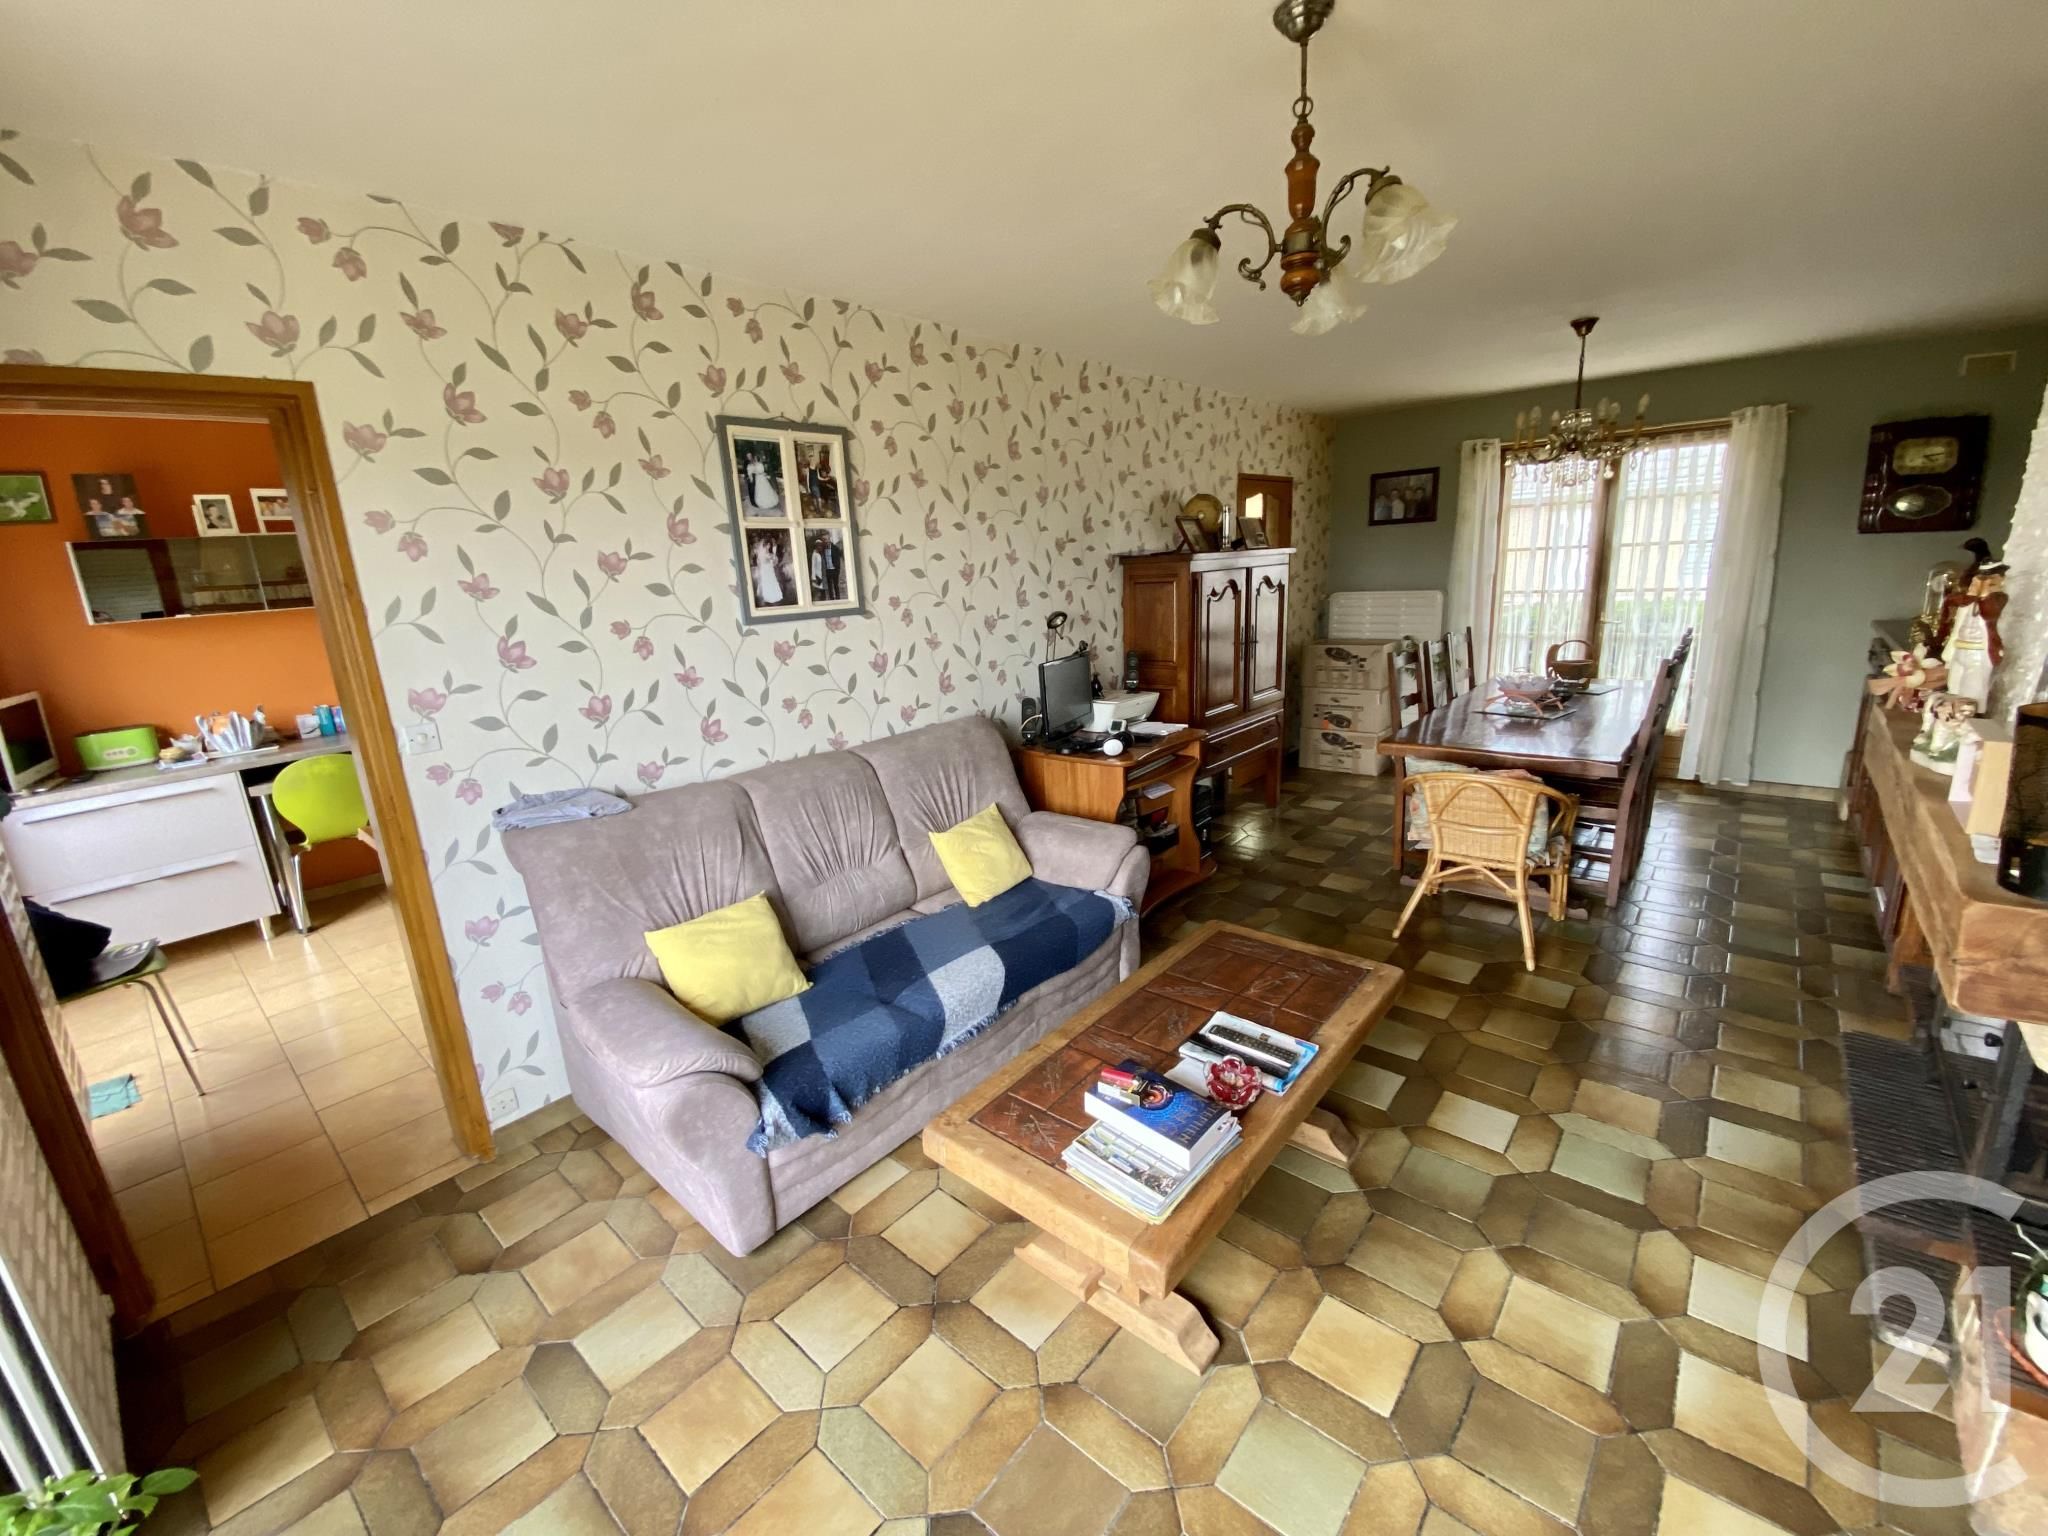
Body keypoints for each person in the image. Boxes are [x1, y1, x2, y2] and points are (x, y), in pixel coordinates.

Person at [752, 536, 784, 605]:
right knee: (767, 582)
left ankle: (770, 597)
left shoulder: (768, 554)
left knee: (770, 581)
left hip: (768, 570)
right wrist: (771, 559)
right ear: (766, 545)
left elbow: (774, 562)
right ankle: (768, 597)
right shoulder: (765, 554)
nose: (769, 546)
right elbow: (762, 562)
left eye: (769, 545)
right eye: (768, 545)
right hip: (766, 571)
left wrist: (772, 559)